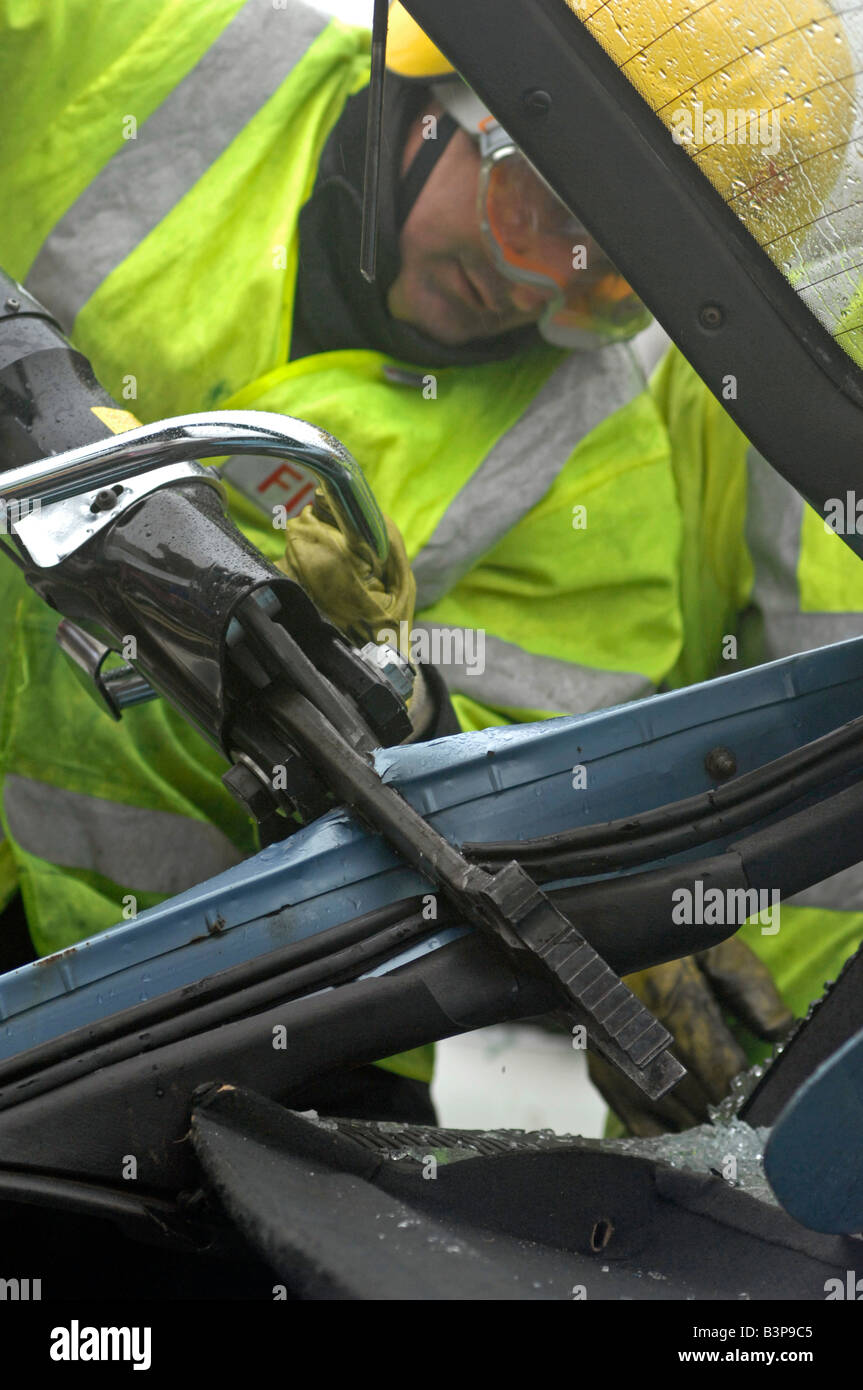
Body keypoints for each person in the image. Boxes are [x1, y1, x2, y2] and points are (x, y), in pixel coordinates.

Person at [0, 0, 861, 1130]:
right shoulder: (129, 39)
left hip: (186, 1049)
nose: (535, 288)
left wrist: (402, 699)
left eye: (606, 285)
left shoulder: (593, 478)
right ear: (420, 85)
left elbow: (503, 787)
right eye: (530, 209)